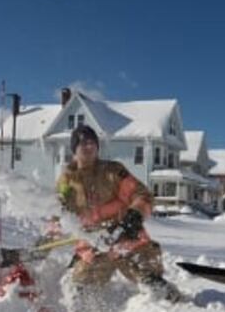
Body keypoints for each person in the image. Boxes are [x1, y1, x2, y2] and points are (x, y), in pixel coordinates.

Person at [55, 124, 183, 302]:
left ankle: (181, 309)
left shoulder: (113, 172)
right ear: (74, 149)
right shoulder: (66, 183)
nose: (89, 147)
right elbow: (58, 218)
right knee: (78, 295)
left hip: (129, 240)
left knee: (154, 287)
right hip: (94, 248)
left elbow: (142, 194)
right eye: (83, 143)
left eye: (93, 143)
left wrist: (134, 215)